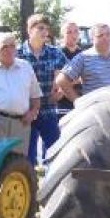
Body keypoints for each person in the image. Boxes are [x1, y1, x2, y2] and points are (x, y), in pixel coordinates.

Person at [0, 32, 41, 155]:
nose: (9, 50)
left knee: (17, 166)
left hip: (21, 124)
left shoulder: (26, 67)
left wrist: (32, 113)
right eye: (4, 46)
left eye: (12, 46)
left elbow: (36, 96)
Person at [18, 13, 67, 166]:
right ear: (29, 30)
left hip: (49, 110)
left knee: (55, 153)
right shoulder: (17, 54)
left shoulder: (56, 53)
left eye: (46, 29)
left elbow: (71, 74)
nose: (45, 32)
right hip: (26, 112)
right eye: (40, 28)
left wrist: (61, 88)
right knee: (28, 156)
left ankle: (52, 187)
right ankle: (30, 186)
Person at [55, 23, 110, 101]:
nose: (105, 38)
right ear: (92, 39)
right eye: (100, 35)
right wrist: (77, 101)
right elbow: (61, 80)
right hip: (94, 110)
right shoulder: (83, 58)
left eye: (108, 34)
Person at [56, 21, 83, 114]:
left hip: (81, 102)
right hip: (62, 104)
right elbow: (57, 80)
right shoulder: (57, 53)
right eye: (69, 32)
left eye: (76, 31)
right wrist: (77, 79)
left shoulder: (83, 54)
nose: (73, 35)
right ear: (62, 35)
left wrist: (67, 81)